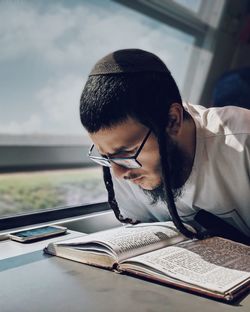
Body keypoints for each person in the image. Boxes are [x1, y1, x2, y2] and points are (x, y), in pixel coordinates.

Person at [80, 49, 250, 243]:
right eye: (106, 157)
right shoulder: (120, 165)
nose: (118, 173)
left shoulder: (244, 142)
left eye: (127, 152)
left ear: (172, 120)